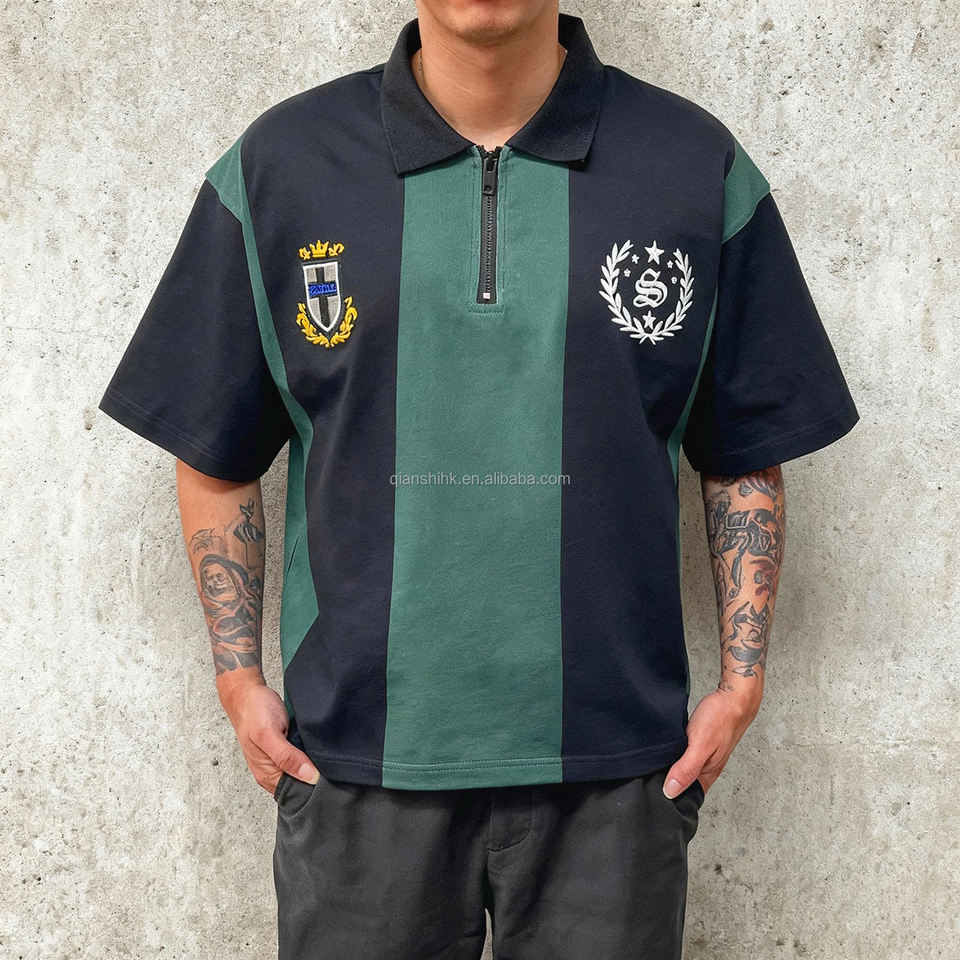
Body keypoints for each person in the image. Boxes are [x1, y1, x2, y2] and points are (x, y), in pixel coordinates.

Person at [97, 1, 860, 957]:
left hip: (616, 778)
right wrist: (238, 679)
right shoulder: (281, 167)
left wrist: (742, 682)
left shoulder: (692, 166)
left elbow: (745, 451)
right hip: (356, 772)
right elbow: (211, 448)